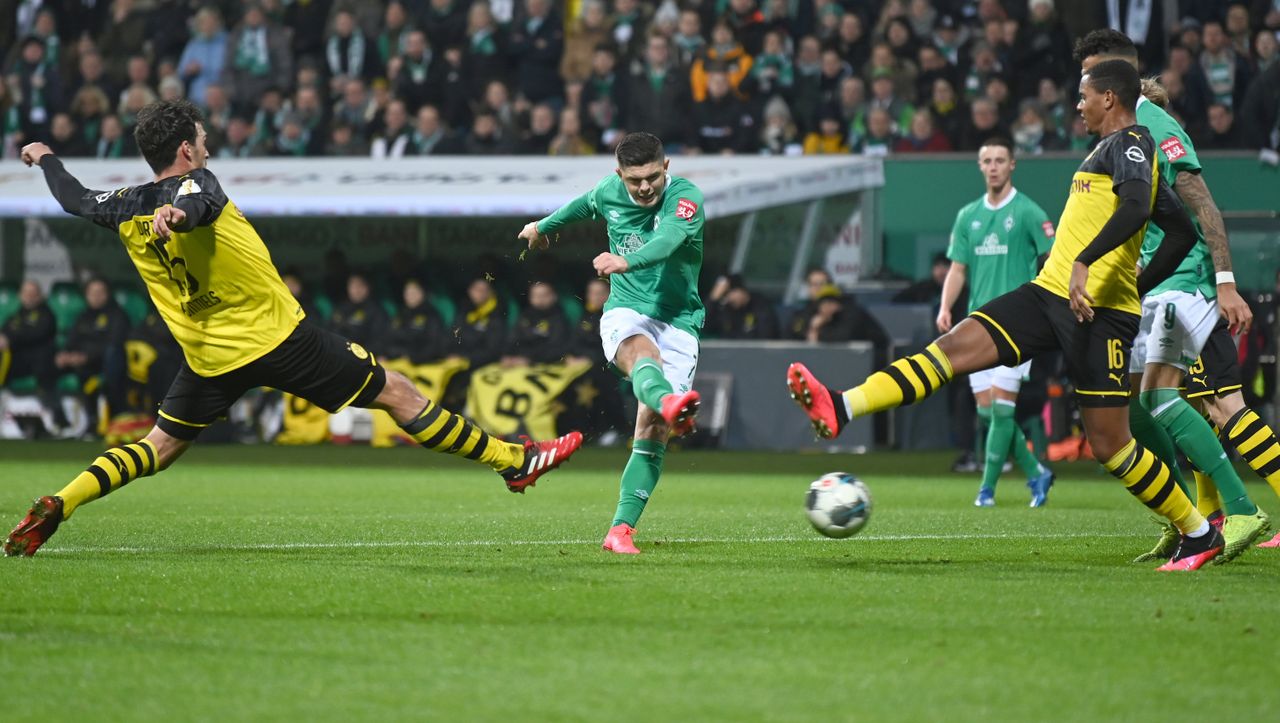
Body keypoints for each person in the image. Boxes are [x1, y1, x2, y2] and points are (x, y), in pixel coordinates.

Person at [5, 100, 583, 557]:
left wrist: (47, 157)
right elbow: (195, 205)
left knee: (157, 447)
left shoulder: (124, 204)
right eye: (202, 139)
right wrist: (178, 215)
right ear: (186, 149)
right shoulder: (199, 184)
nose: (208, 146)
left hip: (209, 357)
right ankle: (513, 461)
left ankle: (62, 501)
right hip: (278, 340)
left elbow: (75, 198)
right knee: (398, 393)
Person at [786, 61, 1221, 571]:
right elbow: (1179, 231)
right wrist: (1131, 281)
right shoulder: (1114, 150)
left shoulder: (1131, 143)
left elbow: (1135, 208)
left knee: (1110, 444)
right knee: (951, 349)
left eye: (1084, 96)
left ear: (1109, 98)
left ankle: (1198, 533)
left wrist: (1091, 266)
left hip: (1098, 315)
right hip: (1047, 295)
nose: (1078, 105)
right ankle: (842, 406)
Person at [1076, 30, 1273, 559]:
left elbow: (1203, 205)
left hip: (1184, 284)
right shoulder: (1119, 135)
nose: (1082, 92)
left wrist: (1225, 282)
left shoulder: (1157, 126)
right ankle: (1186, 515)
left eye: (1090, 79)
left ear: (1114, 79)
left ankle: (1235, 511)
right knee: (1138, 403)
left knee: (1194, 401)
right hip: (1152, 284)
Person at [518, 131, 703, 555]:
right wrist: (541, 227)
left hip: (680, 321)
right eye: (635, 180)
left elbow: (668, 241)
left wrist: (625, 260)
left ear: (666, 167)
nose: (645, 187)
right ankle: (669, 401)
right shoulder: (609, 191)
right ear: (619, 174)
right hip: (628, 309)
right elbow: (583, 204)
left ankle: (619, 531)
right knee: (642, 354)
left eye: (653, 177)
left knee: (651, 432)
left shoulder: (686, 198)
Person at [937, 138, 1056, 507]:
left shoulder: (1029, 212)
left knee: (1003, 410)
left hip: (1018, 326)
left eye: (1000, 160)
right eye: (987, 160)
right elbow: (958, 268)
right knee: (989, 413)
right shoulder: (967, 215)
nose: (993, 167)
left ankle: (986, 490)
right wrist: (945, 307)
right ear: (980, 166)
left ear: (1012, 165)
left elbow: (1053, 260)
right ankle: (1037, 474)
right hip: (977, 326)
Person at [55, 278, 131, 432]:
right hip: (79, 361)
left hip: (103, 364)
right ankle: (57, 421)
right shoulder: (83, 316)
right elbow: (72, 340)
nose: (96, 296)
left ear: (107, 294)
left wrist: (86, 357)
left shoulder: (117, 315)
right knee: (48, 365)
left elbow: (114, 344)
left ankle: (95, 421)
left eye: (100, 292)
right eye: (92, 293)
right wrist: (65, 354)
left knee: (105, 363)